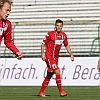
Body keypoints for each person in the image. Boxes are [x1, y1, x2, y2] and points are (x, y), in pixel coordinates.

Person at [38, 19, 74, 97]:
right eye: (57, 25)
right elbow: (43, 43)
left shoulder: (64, 35)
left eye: (60, 26)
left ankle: (41, 92)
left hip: (55, 58)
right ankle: (61, 91)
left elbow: (66, 45)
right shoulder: (50, 34)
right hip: (49, 56)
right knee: (57, 71)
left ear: (62, 26)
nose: (59, 27)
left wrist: (71, 54)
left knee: (49, 74)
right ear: (55, 26)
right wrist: (43, 53)